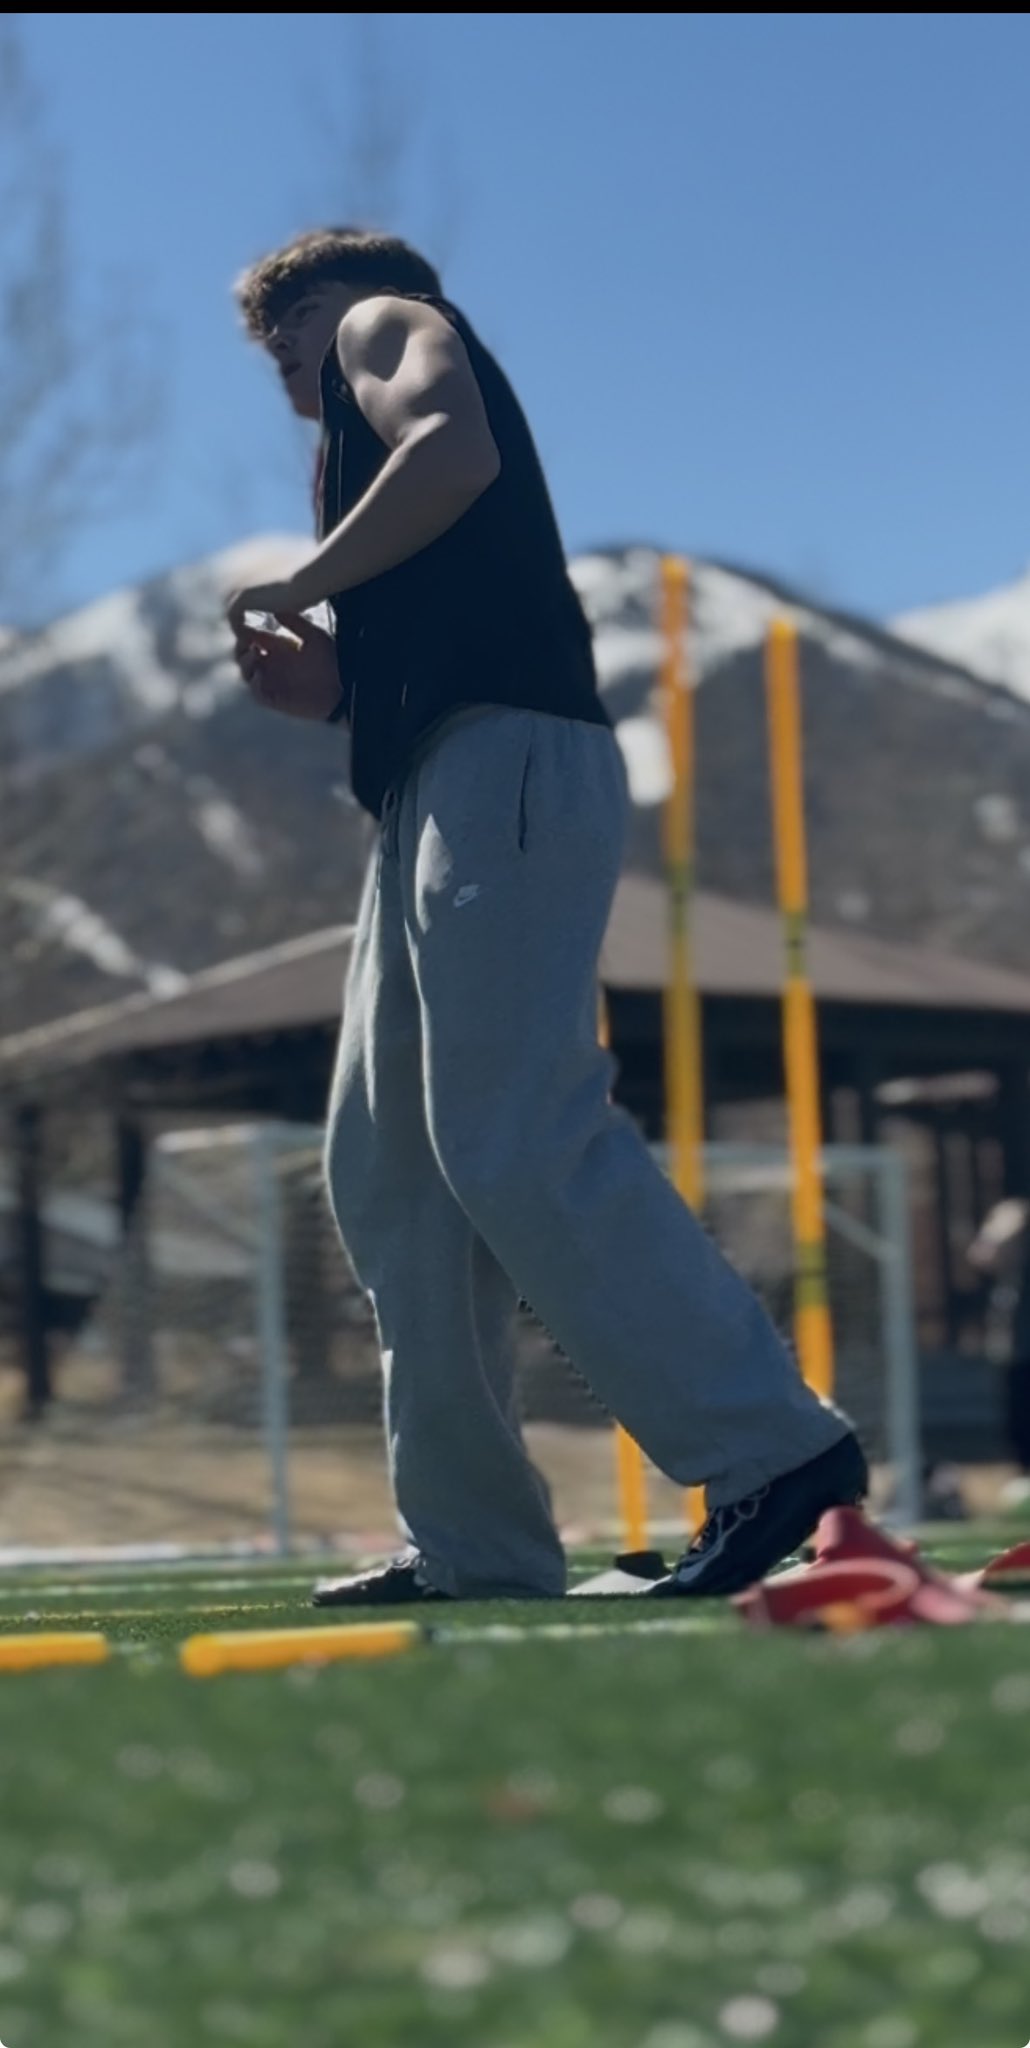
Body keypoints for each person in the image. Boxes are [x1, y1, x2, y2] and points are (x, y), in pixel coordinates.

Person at [226, 226, 866, 1604]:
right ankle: (475, 1545)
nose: (284, 365)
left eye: (287, 330)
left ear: (348, 301)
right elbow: (449, 557)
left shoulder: (384, 322)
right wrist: (333, 693)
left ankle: (774, 1447)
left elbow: (452, 452)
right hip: (433, 781)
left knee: (512, 1131)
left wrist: (298, 580)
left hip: (503, 762)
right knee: (393, 1173)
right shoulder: (366, 444)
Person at [968, 1198, 1030, 1488]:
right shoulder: (1015, 1220)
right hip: (1018, 1353)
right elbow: (982, 1256)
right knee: (1018, 1423)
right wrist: (1000, 1228)